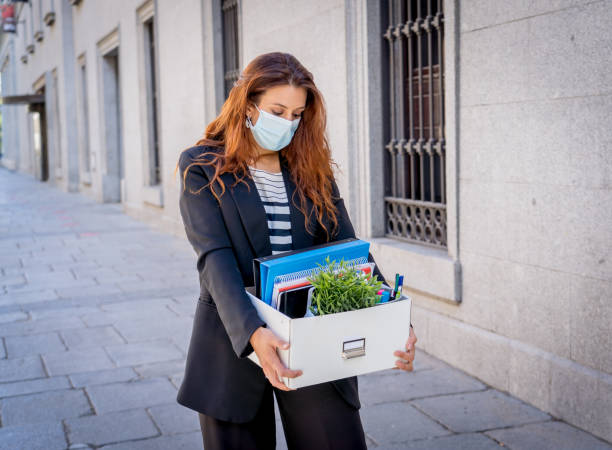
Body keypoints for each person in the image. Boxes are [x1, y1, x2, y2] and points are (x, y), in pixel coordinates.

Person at [174, 52, 417, 450]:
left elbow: (349, 252)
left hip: (313, 334)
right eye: (277, 110)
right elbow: (214, 259)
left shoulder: (311, 166)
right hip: (232, 339)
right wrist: (253, 333)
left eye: (296, 114)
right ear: (248, 104)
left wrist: (391, 315)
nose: (287, 123)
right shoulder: (201, 166)